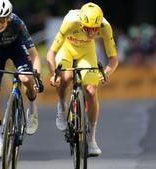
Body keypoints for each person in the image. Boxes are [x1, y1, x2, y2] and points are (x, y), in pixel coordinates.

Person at [47, 2, 119, 156]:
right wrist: (54, 73)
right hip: (66, 50)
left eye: (95, 29)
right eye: (88, 29)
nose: (92, 33)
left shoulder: (105, 27)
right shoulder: (71, 22)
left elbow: (113, 59)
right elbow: (51, 53)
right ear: (81, 23)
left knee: (91, 91)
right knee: (66, 77)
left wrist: (106, 72)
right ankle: (61, 105)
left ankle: (92, 139)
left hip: (87, 52)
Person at [0, 0, 43, 158]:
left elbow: (34, 54)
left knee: (26, 80)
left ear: (8, 17)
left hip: (16, 48)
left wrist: (37, 76)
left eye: (2, 19)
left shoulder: (17, 23)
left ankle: (32, 109)